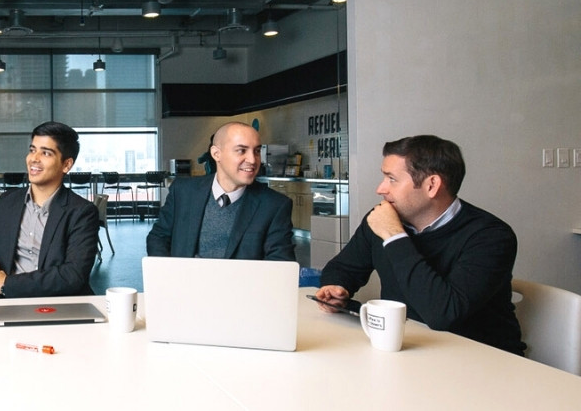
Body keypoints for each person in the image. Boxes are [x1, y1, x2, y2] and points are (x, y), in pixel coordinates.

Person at [315, 135, 524, 355]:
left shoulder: (491, 236)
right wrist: (336, 286)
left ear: (432, 185)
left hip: (482, 361)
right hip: (407, 350)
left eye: (392, 179)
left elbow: (442, 314)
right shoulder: (382, 220)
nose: (381, 189)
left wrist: (394, 237)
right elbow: (342, 268)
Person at [0, 121, 100, 298]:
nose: (34, 158)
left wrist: (6, 284)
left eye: (45, 153)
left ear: (66, 165)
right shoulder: (8, 202)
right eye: (32, 150)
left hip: (59, 304)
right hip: (7, 303)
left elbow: (72, 275)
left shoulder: (82, 212)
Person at [146, 121, 294, 260]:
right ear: (216, 154)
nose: (253, 160)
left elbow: (280, 263)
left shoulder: (275, 206)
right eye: (241, 150)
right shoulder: (183, 192)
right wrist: (169, 275)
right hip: (186, 285)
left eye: (256, 151)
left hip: (241, 287)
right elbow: (158, 237)